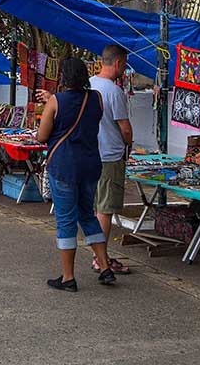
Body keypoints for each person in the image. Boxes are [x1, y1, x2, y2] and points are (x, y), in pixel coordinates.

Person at [36, 57, 116, 291]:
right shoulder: (97, 98)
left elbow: (42, 136)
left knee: (66, 221)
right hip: (91, 165)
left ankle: (68, 277)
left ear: (63, 77)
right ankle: (104, 267)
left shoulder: (56, 102)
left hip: (64, 167)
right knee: (88, 215)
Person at [88, 43, 134, 275]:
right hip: (109, 156)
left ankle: (100, 256)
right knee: (104, 210)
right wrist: (130, 144)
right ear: (117, 63)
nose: (125, 70)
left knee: (97, 208)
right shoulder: (114, 92)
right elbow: (124, 129)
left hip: (90, 154)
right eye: (124, 65)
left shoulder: (88, 84)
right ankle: (101, 258)